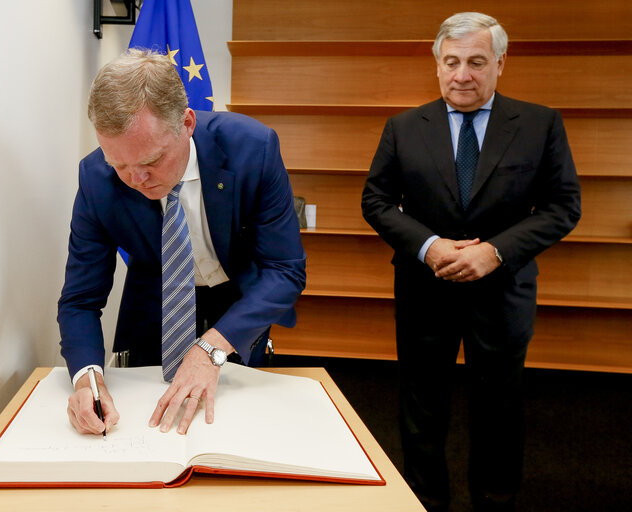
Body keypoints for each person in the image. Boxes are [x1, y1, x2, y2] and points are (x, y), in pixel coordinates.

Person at [361, 12, 581, 512]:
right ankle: (424, 499)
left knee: (499, 406)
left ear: (500, 64)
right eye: (452, 61)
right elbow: (375, 201)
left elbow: (563, 206)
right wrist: (429, 245)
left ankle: (495, 498)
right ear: (437, 64)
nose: (463, 74)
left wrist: (495, 251)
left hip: (504, 291)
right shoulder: (402, 127)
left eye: (477, 62)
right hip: (425, 288)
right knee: (421, 404)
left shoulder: (540, 123)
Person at [58, 49, 306, 437]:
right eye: (119, 165)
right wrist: (86, 378)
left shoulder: (251, 148)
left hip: (237, 307)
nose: (135, 179)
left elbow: (285, 270)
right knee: (147, 434)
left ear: (186, 123)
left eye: (151, 160)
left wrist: (211, 349)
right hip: (153, 311)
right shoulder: (95, 179)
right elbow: (79, 299)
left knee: (233, 431)